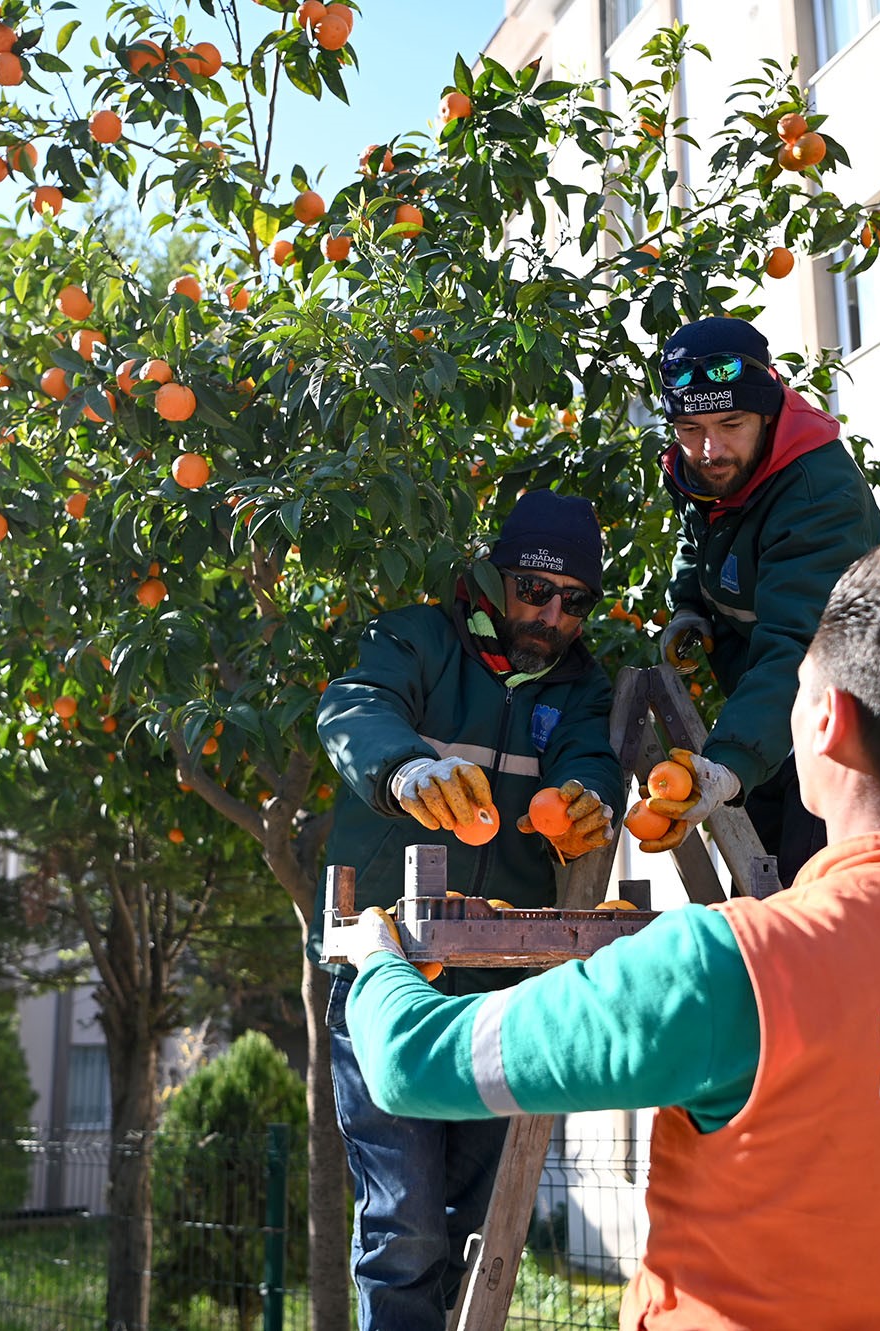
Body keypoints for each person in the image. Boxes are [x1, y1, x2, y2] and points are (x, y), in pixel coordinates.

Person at [341, 539, 880, 1331]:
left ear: (827, 720)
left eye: (797, 688)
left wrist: (377, 958)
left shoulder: (735, 967)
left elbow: (407, 1062)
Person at [312, 489, 625, 1331]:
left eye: (574, 601)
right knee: (403, 1226)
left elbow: (591, 757)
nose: (553, 614)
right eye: (534, 589)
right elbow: (352, 706)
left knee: (474, 1226)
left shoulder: (582, 684)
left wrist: (589, 798)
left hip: (498, 985)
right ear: (491, 577)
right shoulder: (414, 639)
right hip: (387, 970)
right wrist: (404, 770)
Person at [641, 316, 880, 885]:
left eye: (731, 423)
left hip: (851, 724)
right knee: (754, 899)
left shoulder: (817, 492)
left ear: (769, 409)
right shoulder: (702, 467)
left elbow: (802, 651)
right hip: (774, 713)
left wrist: (729, 761)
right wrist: (690, 606)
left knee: (811, 905)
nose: (710, 449)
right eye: (689, 427)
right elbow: (698, 538)